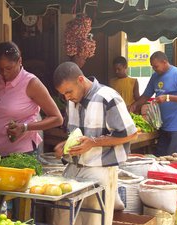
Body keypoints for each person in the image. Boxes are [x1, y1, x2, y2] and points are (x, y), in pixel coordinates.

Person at [52, 62, 137, 225]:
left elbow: (130, 134)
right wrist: (65, 145)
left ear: (80, 80)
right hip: (73, 169)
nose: (66, 97)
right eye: (63, 94)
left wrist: (93, 142)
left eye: (68, 91)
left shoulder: (108, 97)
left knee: (94, 220)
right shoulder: (71, 101)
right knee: (62, 218)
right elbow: (79, 135)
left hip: (100, 170)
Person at [0, 41, 63, 156]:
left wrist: (25, 127)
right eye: (0, 68)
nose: (4, 73)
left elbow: (57, 118)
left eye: (9, 68)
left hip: (21, 153)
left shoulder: (31, 83)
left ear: (19, 61)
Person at [130, 51, 177, 156]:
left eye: (156, 66)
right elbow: (146, 95)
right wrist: (135, 105)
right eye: (152, 67)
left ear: (164, 62)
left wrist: (167, 97)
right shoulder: (155, 76)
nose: (154, 69)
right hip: (162, 126)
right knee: (160, 157)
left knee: (174, 160)